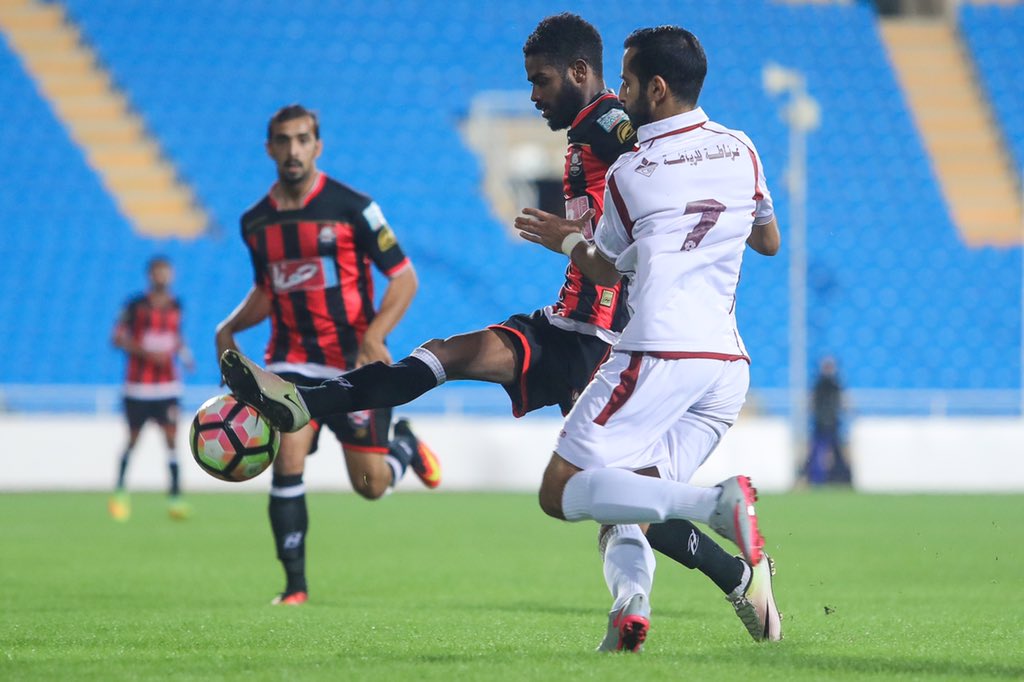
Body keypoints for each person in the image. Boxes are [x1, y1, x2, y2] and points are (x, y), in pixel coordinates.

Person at [220, 16, 781, 645]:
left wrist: (577, 239)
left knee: (614, 498)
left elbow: (656, 166)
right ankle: (306, 402)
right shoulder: (597, 133)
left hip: (605, 339)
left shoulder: (609, 127)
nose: (534, 95)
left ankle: (727, 573)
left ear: (579, 73)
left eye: (540, 81)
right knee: (451, 357)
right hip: (568, 322)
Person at [513, 26, 784, 650]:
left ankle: (717, 505)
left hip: (657, 353)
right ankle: (658, 607)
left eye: (629, 83)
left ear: (656, 90)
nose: (621, 94)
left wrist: (565, 237)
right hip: (726, 367)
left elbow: (605, 269)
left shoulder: (633, 170)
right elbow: (767, 241)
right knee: (630, 497)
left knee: (559, 492)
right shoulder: (740, 148)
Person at [214, 104, 441, 606]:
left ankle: (403, 447)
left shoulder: (355, 208)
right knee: (288, 453)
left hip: (355, 367)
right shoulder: (255, 222)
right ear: (269, 148)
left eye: (302, 140)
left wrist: (375, 334)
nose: (293, 150)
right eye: (283, 140)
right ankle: (294, 587)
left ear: (317, 146)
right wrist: (229, 327)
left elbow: (404, 277)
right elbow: (268, 291)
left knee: (371, 485)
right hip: (289, 363)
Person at [109, 255, 194, 521]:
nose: (163, 277)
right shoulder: (135, 306)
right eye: (158, 272)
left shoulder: (177, 305)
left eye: (166, 272)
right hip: (138, 387)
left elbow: (175, 335)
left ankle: (175, 498)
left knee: (171, 440)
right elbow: (117, 338)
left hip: (167, 386)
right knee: (133, 440)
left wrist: (184, 353)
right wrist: (146, 353)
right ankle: (120, 493)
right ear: (150, 275)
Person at [806, 356, 851, 484]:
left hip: (830, 423)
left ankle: (839, 478)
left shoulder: (832, 384)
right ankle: (817, 478)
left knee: (832, 453)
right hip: (823, 423)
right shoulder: (825, 384)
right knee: (817, 453)